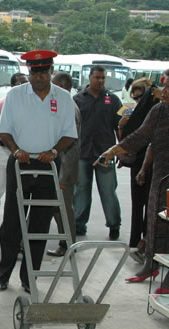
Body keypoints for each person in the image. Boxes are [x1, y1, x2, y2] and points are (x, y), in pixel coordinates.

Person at [96, 66, 169, 294]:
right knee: (154, 221)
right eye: (164, 86)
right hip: (160, 175)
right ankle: (150, 264)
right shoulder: (159, 110)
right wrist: (112, 151)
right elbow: (142, 137)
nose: (163, 91)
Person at [0, 50, 77, 292]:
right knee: (12, 221)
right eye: (34, 72)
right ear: (28, 72)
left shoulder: (63, 98)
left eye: (43, 71)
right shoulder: (16, 95)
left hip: (48, 163)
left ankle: (30, 277)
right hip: (20, 162)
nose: (38, 76)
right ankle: (3, 275)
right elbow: (4, 130)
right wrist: (15, 149)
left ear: (51, 71)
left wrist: (53, 151)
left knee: (39, 224)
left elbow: (70, 134)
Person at [73, 65, 122, 240]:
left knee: (108, 191)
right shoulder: (77, 100)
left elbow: (119, 127)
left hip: (105, 153)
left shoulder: (113, 100)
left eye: (103, 78)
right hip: (82, 153)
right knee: (81, 190)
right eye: (97, 77)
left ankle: (114, 225)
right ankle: (78, 224)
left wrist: (121, 150)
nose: (100, 81)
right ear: (89, 77)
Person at [117, 78, 162, 262]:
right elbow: (127, 139)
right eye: (134, 97)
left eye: (140, 97)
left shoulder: (158, 111)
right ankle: (136, 242)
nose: (137, 101)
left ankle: (145, 242)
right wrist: (121, 126)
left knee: (152, 207)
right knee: (138, 205)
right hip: (137, 162)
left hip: (154, 164)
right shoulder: (134, 112)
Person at [0, 72, 27, 239]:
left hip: (24, 153)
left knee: (20, 191)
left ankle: (17, 228)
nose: (23, 87)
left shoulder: (33, 105)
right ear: (12, 87)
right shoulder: (2, 104)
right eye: (19, 84)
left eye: (25, 83)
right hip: (3, 151)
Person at [47, 71, 82, 257]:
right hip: (57, 168)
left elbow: (71, 147)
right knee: (55, 207)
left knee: (63, 208)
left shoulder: (69, 108)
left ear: (62, 87)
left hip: (63, 171)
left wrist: (63, 176)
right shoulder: (60, 106)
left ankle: (68, 244)